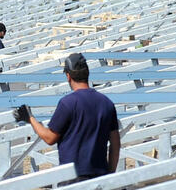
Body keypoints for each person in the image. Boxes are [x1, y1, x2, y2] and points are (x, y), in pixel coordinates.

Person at [14, 53, 120, 181]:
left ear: (68, 76)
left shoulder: (68, 103)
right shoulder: (106, 103)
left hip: (73, 177)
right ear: (87, 74)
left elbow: (50, 138)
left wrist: (30, 118)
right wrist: (110, 173)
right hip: (100, 176)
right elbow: (115, 143)